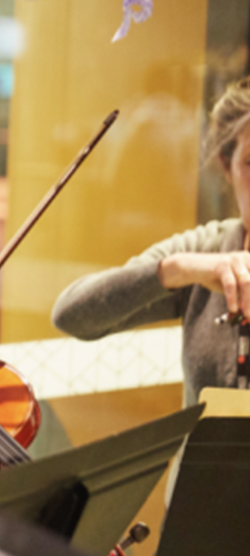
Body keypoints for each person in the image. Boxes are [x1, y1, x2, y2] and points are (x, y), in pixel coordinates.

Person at [52, 76, 250, 407]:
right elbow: (71, 315)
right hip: (204, 460)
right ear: (226, 167)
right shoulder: (207, 249)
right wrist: (178, 269)